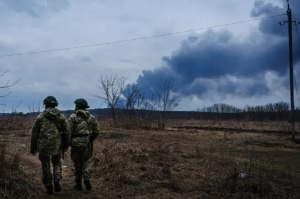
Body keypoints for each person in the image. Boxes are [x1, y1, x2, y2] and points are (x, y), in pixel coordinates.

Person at [30, 96, 70, 194]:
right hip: (57, 145)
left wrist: (33, 147)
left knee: (45, 165)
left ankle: (48, 185)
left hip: (43, 146)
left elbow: (34, 133)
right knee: (56, 162)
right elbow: (67, 131)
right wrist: (66, 144)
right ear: (55, 104)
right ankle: (56, 178)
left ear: (45, 104)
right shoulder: (61, 116)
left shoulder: (40, 117)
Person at [68, 98, 99, 191]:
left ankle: (78, 184)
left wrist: (68, 142)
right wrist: (90, 139)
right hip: (86, 142)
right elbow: (96, 131)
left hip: (75, 143)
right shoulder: (92, 117)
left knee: (77, 163)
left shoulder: (73, 117)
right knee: (86, 162)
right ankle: (86, 177)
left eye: (76, 105)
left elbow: (68, 131)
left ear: (78, 106)